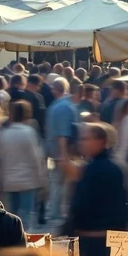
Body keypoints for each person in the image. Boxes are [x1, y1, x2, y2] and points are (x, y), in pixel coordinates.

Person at [64, 123, 128, 256]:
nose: (81, 143)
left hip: (96, 239)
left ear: (100, 141)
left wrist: (69, 230)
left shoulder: (92, 169)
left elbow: (81, 205)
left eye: (86, 139)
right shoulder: (120, 167)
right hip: (120, 238)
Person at [0, 100, 46, 228]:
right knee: (26, 215)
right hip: (28, 181)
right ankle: (23, 237)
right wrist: (42, 180)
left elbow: (0, 158)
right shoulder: (29, 132)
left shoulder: (3, 133)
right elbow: (36, 158)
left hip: (9, 181)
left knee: (11, 214)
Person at [44, 78, 79, 225]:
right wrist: (64, 154)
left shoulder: (56, 106)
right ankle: (56, 213)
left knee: (57, 182)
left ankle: (54, 212)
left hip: (56, 150)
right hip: (63, 152)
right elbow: (63, 134)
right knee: (61, 183)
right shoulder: (65, 107)